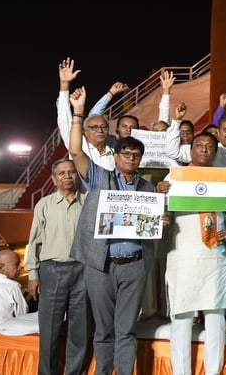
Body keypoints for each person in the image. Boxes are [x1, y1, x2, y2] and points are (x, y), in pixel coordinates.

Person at [67, 86, 170, 375]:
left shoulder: (148, 188)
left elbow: (150, 224)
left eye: (136, 155)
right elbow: (75, 150)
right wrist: (78, 112)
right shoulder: (99, 176)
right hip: (101, 265)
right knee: (103, 329)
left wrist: (159, 221)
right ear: (116, 156)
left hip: (134, 266)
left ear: (140, 159)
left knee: (126, 329)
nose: (131, 159)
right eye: (126, 154)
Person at [161, 132, 226, 375]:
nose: (204, 150)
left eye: (209, 147)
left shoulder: (223, 179)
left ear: (215, 152)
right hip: (183, 254)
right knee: (181, 317)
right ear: (191, 150)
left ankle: (213, 371)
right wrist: (160, 195)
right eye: (199, 146)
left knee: (216, 317)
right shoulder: (175, 176)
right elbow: (159, 213)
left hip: (214, 254)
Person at [25, 158, 89, 375]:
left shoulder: (88, 202)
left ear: (77, 176)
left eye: (71, 172)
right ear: (54, 179)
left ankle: (75, 372)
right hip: (51, 270)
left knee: (79, 329)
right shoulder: (44, 204)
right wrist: (33, 274)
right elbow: (33, 242)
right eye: (61, 173)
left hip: (82, 270)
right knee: (50, 329)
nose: (67, 177)